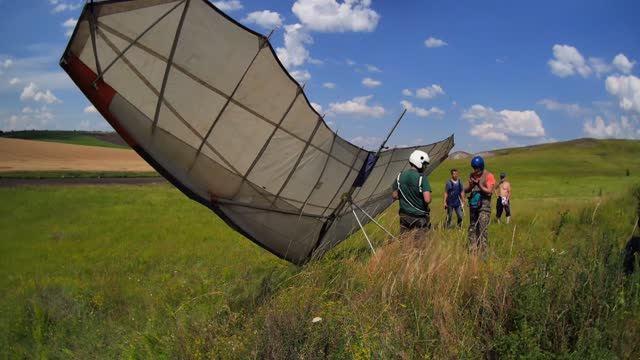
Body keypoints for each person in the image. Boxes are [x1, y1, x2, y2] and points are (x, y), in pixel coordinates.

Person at [392, 150, 432, 236]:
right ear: (419, 162)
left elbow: (395, 195)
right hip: (419, 217)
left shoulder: (400, 175)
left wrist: (406, 195)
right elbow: (427, 199)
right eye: (425, 164)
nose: (425, 167)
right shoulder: (422, 178)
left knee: (405, 242)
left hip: (404, 215)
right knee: (420, 246)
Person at [464, 156, 496, 255]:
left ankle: (484, 252)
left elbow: (489, 191)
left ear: (481, 167)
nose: (475, 170)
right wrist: (471, 185)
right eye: (474, 168)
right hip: (473, 206)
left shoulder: (488, 176)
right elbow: (466, 190)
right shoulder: (472, 175)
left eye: (477, 168)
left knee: (482, 229)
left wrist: (479, 185)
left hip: (484, 207)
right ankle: (473, 250)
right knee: (472, 228)